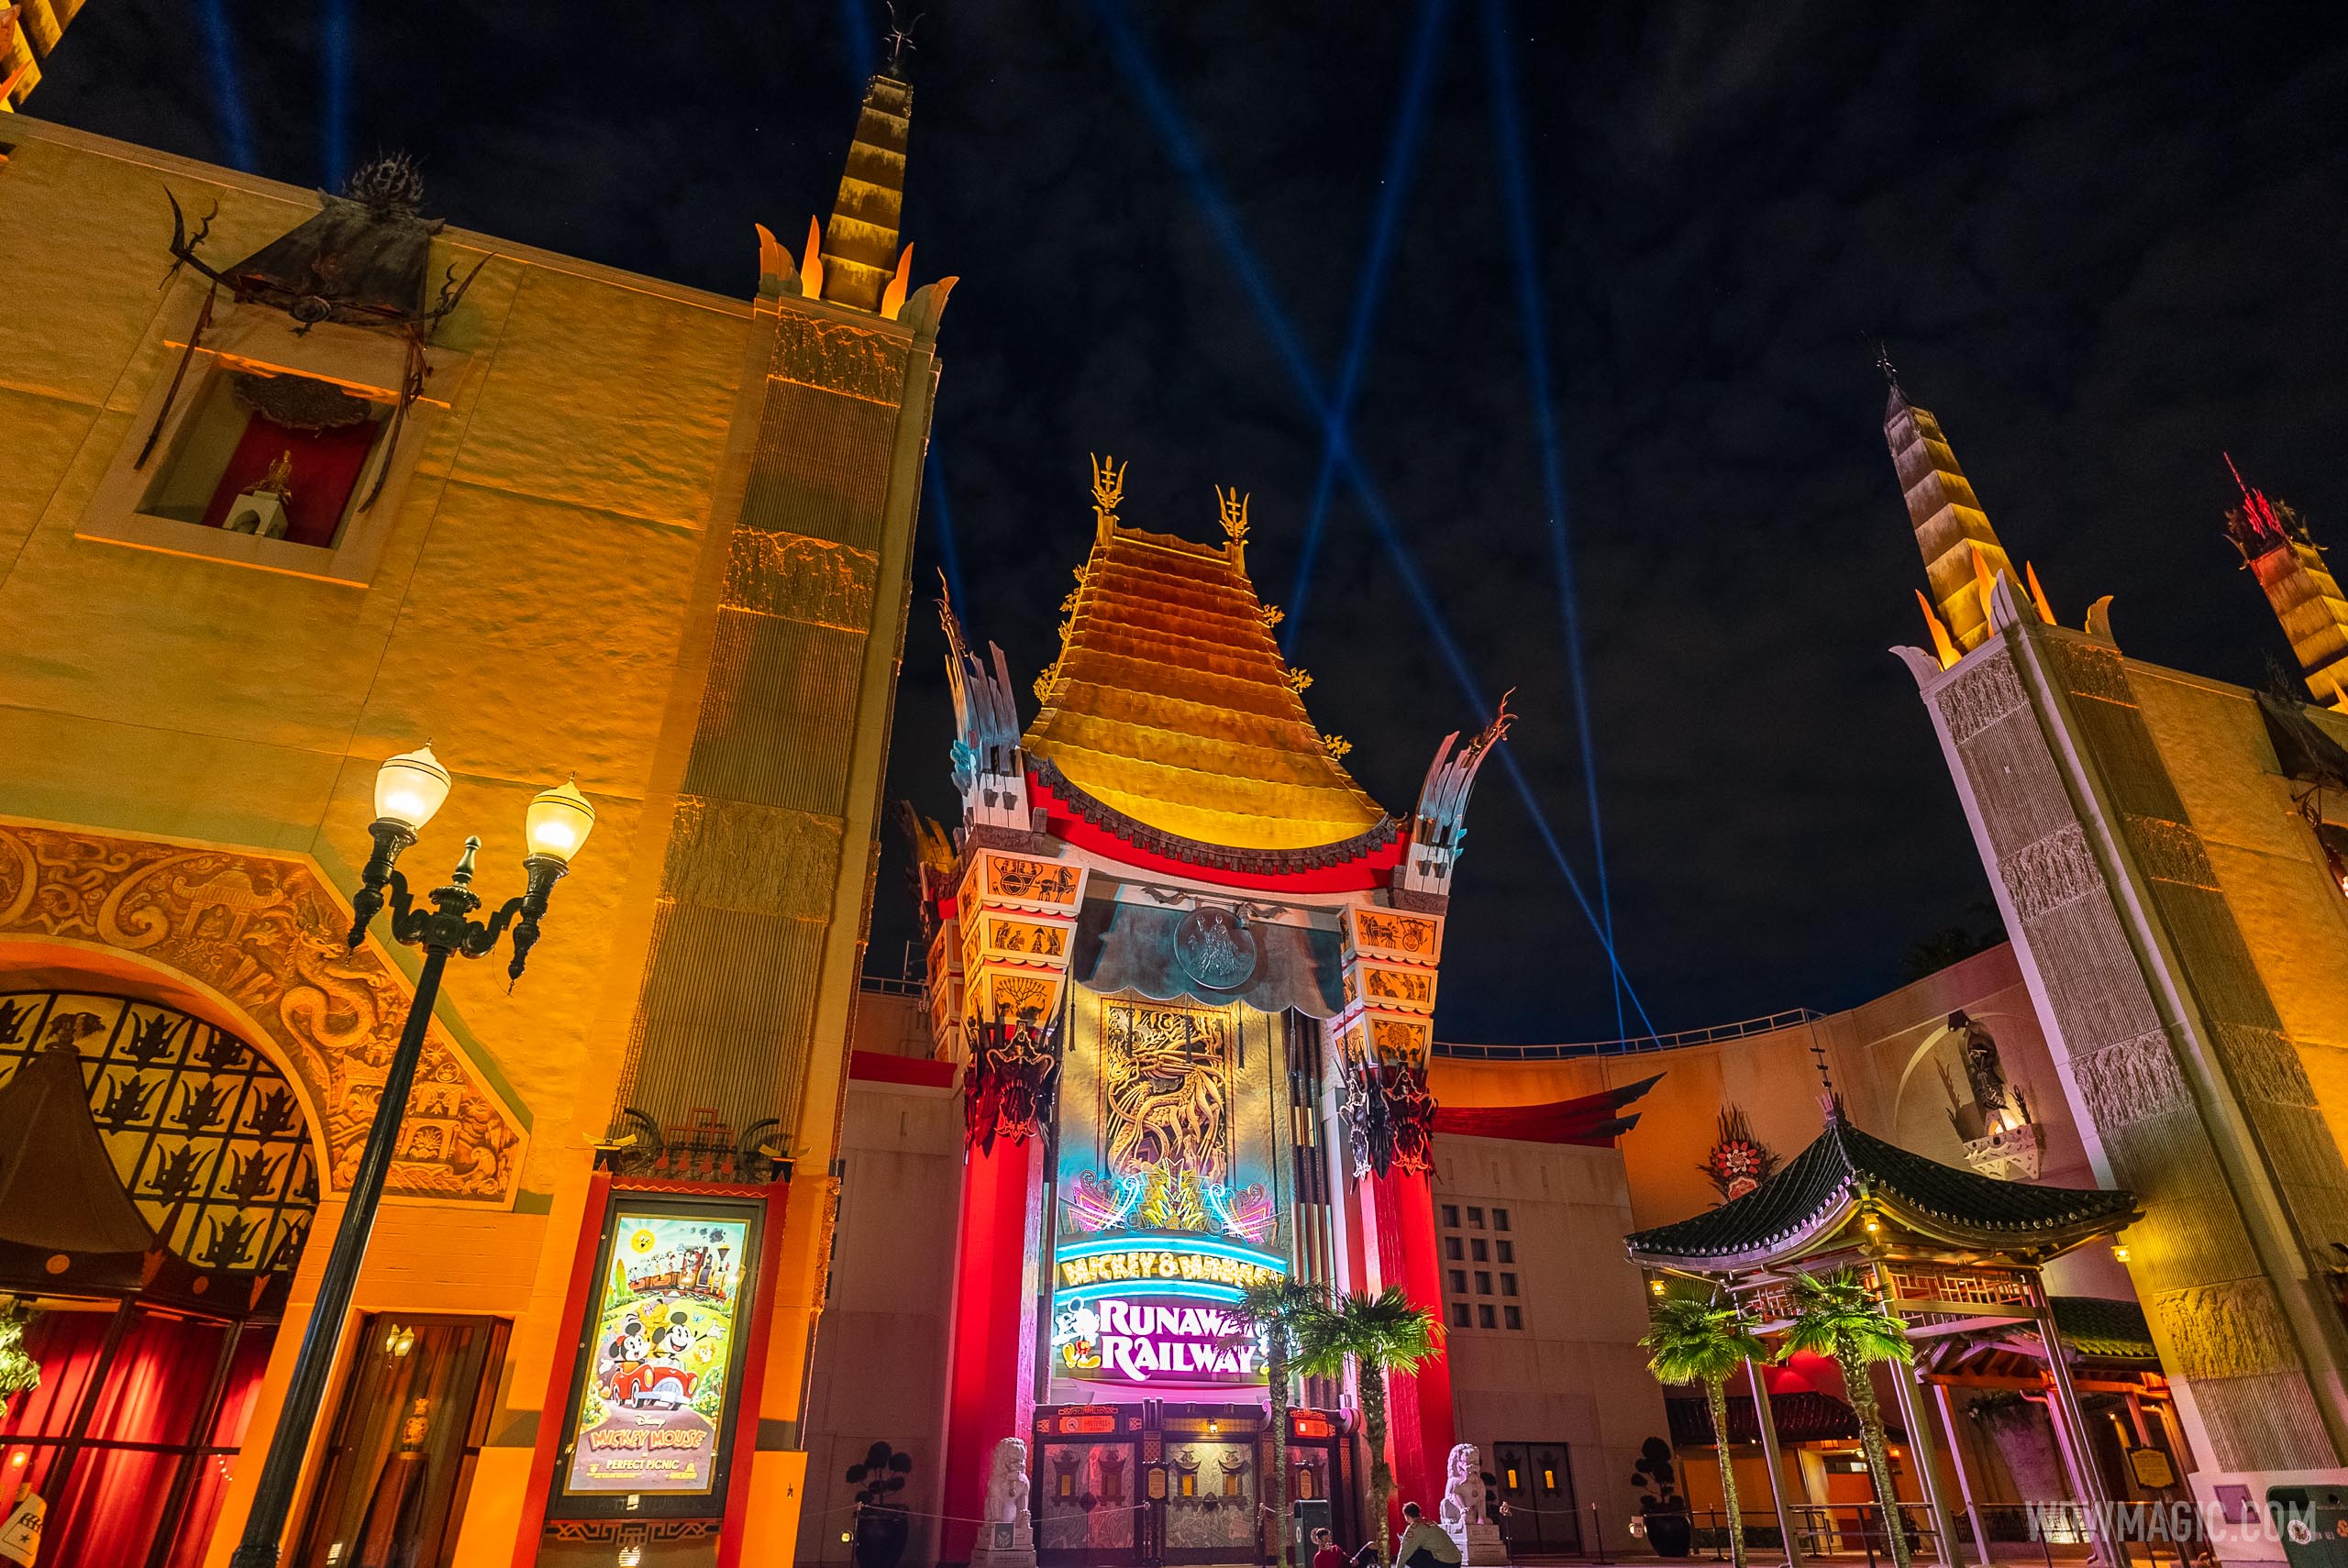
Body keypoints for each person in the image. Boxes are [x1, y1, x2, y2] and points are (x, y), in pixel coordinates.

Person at [1394, 1502, 1463, 1568]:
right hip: (1456, 1562)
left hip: (1446, 1564)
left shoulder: (1414, 1528)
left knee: (1410, 1556)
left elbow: (1404, 1551)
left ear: (1407, 1516)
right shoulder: (1429, 1522)